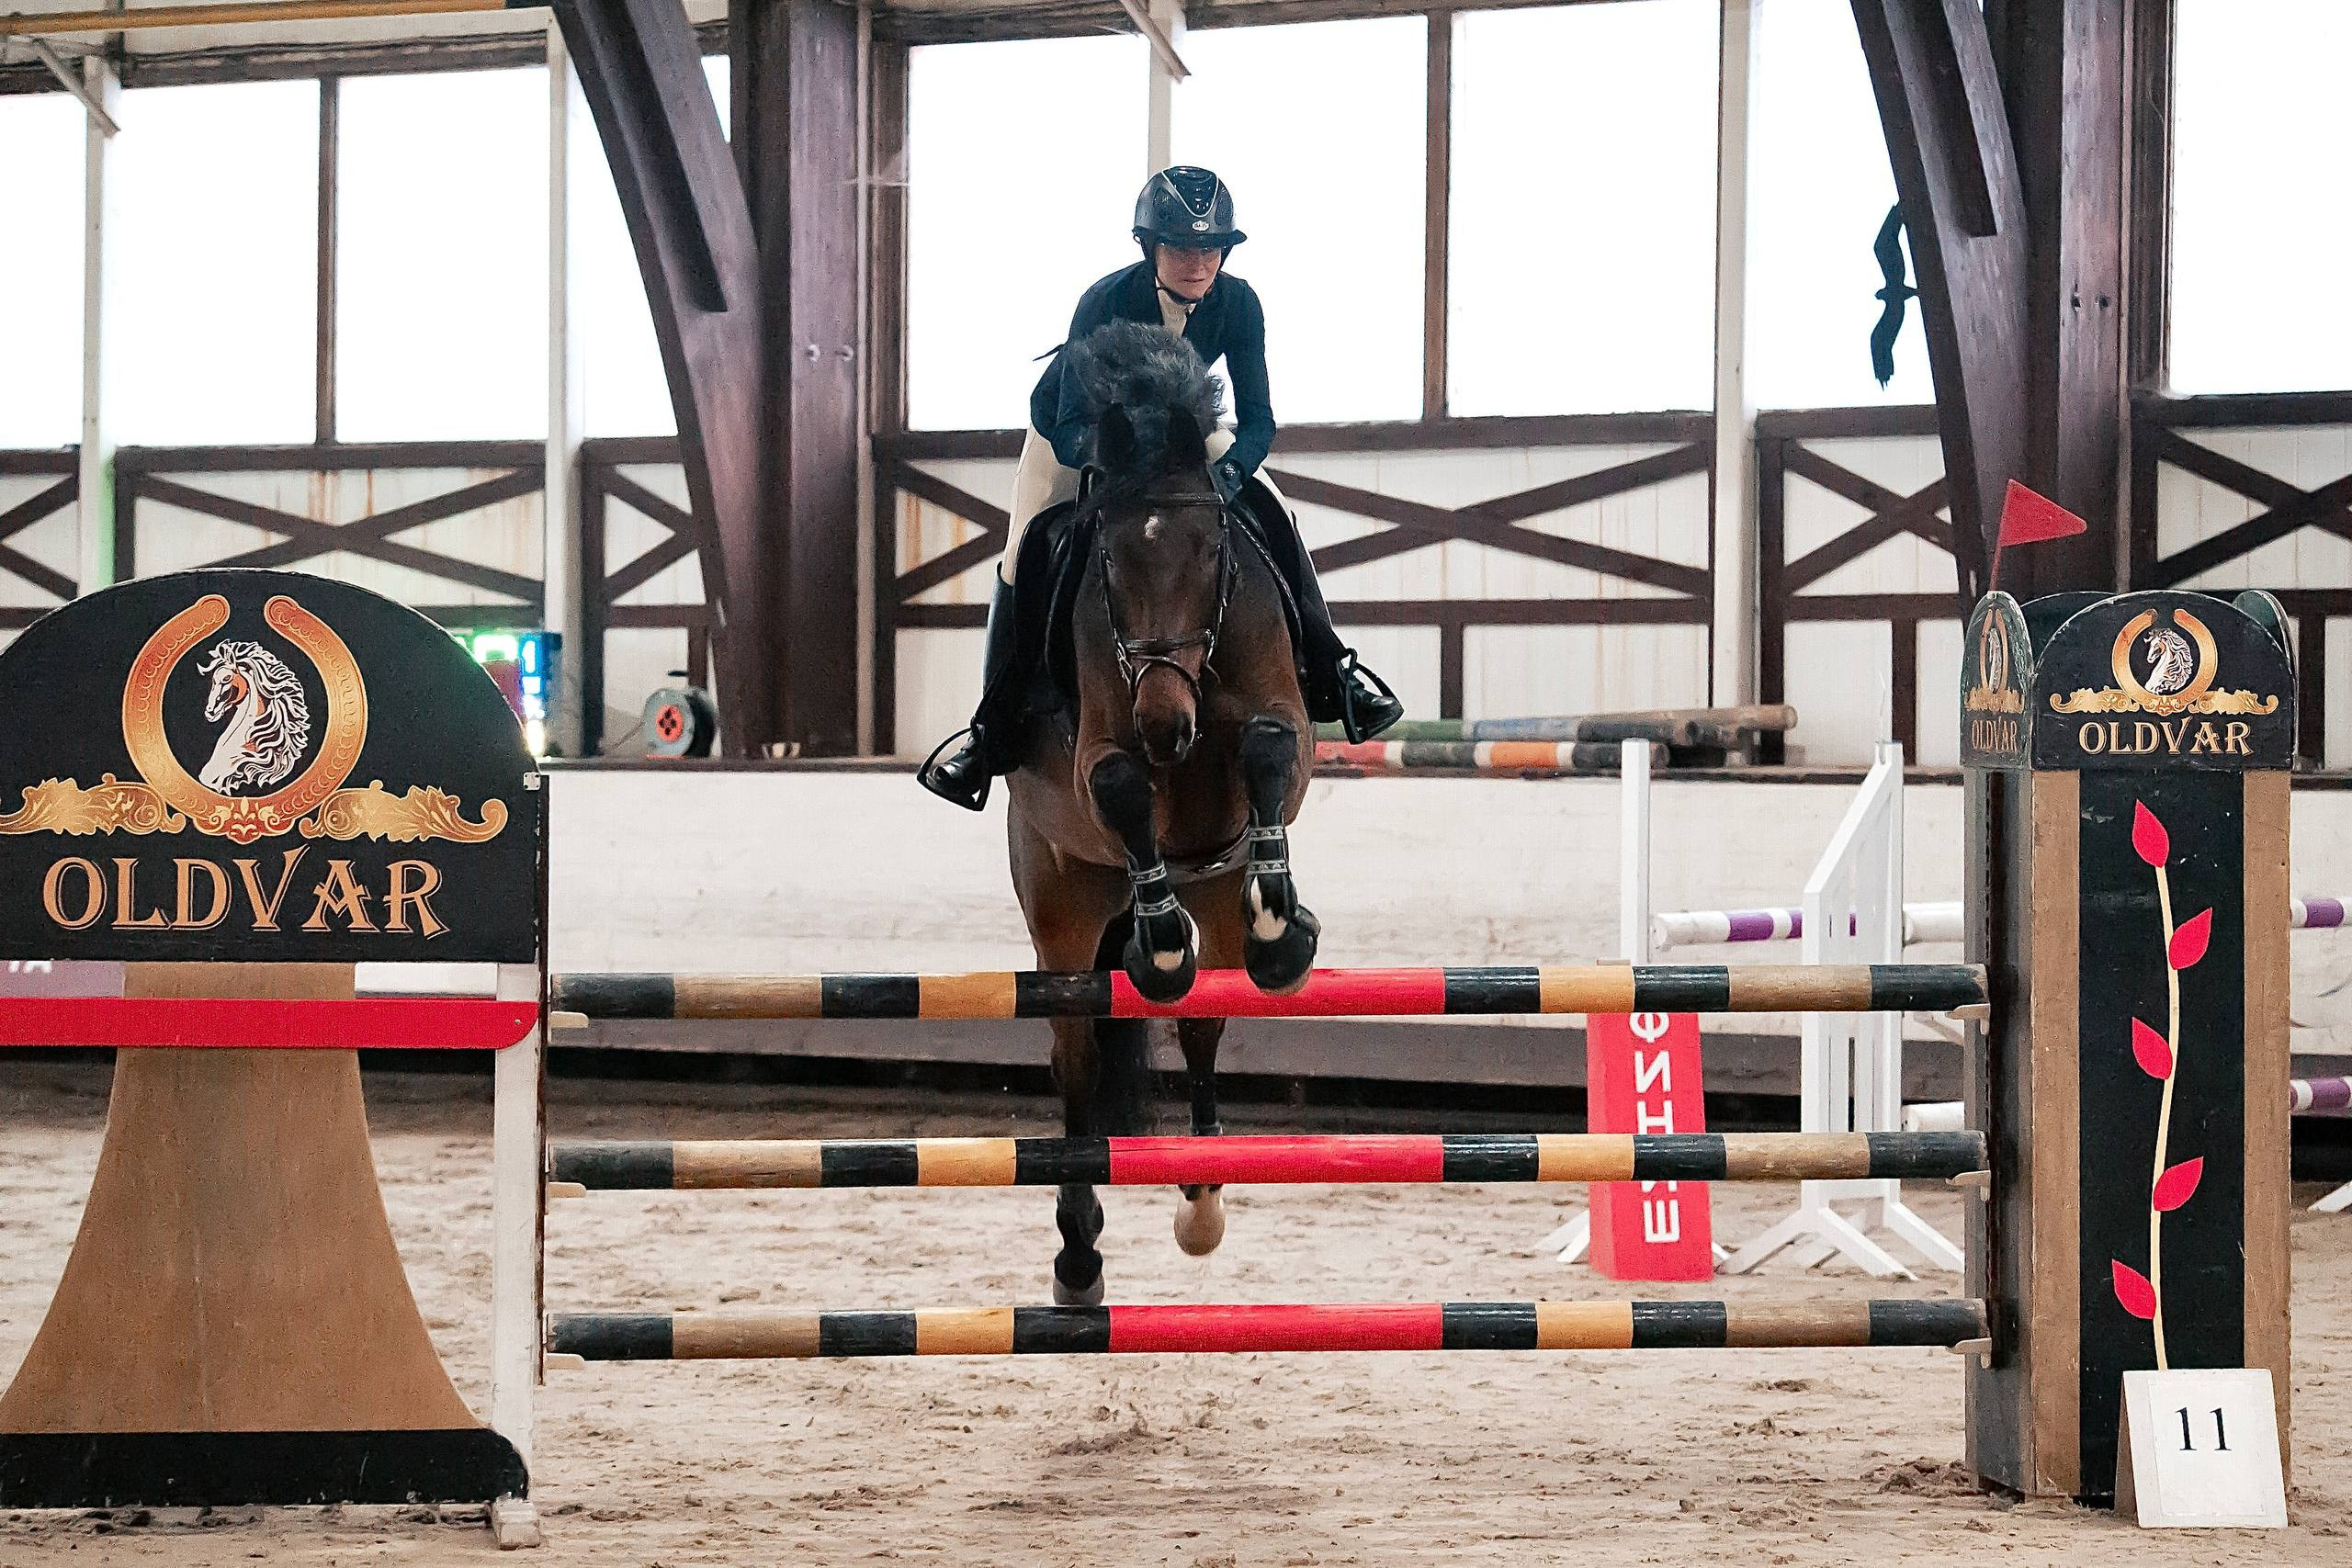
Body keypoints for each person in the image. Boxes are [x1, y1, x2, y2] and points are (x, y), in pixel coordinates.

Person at [919, 165, 1402, 810]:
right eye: (1181, 248)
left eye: (1210, 248)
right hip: (1083, 433)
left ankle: (1336, 670)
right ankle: (992, 728)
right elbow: (1066, 421)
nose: (1198, 262)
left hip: (1181, 429)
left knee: (1275, 509)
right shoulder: (1104, 300)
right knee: (1025, 547)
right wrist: (1108, 462)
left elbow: (1258, 420)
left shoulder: (1240, 303)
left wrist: (1232, 473)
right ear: (1150, 248)